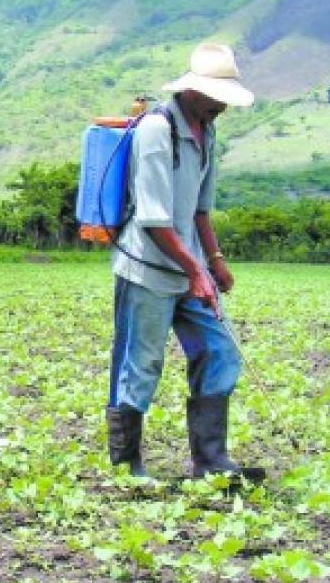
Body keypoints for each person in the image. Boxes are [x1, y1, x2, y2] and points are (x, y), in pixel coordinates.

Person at [107, 42, 261, 480]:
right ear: (194, 91)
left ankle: (210, 460)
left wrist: (214, 260)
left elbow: (199, 209)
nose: (223, 108)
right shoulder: (156, 130)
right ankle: (128, 465)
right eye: (218, 98)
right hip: (148, 270)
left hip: (190, 267)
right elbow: (155, 219)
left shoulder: (206, 133)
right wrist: (195, 271)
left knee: (219, 350)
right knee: (142, 362)